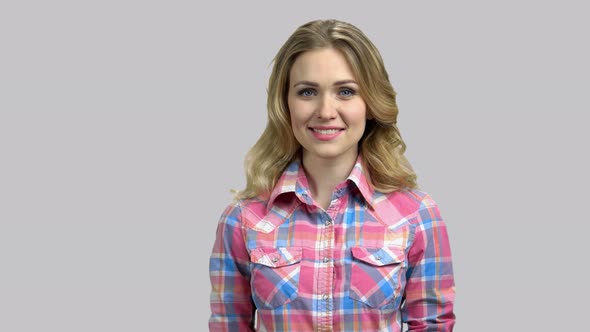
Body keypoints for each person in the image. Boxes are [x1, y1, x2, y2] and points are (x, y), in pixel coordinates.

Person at [209, 19, 455, 331]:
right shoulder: (242, 220)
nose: (326, 111)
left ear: (371, 103)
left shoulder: (417, 216)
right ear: (285, 104)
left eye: (345, 91)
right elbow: (228, 325)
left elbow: (433, 325)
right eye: (307, 91)